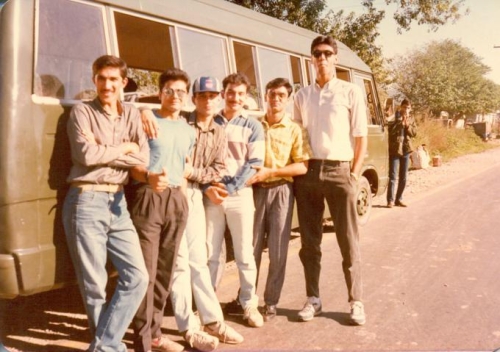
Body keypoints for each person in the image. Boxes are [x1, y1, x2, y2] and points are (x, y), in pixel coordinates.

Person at [62, 55, 149, 352]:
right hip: (86, 200)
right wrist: (126, 146)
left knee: (137, 276)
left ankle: (103, 346)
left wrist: (104, 150)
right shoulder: (83, 112)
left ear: (124, 82)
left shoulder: (133, 115)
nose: (107, 85)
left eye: (113, 79)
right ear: (94, 80)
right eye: (102, 78)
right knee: (94, 285)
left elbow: (144, 159)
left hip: (117, 203)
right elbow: (85, 156)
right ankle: (108, 348)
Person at [293, 35, 368, 325]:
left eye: (327, 53)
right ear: (311, 59)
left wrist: (354, 174)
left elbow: (360, 138)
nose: (322, 58)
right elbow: (297, 136)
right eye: (316, 54)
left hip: (340, 172)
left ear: (336, 57)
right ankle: (314, 299)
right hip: (309, 172)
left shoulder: (350, 92)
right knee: (309, 243)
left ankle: (356, 301)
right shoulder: (302, 95)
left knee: (348, 241)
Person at [168, 77, 244, 350]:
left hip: (195, 194)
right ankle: (189, 328)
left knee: (199, 260)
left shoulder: (219, 132)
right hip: (173, 195)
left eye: (213, 96)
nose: (208, 100)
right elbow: (172, 161)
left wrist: (194, 174)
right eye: (203, 96)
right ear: (194, 98)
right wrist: (191, 174)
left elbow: (218, 170)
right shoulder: (180, 123)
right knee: (179, 264)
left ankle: (212, 321)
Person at [128, 68, 195, 352]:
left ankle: (155, 334)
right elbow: (132, 165)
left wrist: (181, 186)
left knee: (165, 271)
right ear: (160, 93)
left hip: (177, 200)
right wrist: (141, 109)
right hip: (148, 196)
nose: (175, 96)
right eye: (169, 90)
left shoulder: (188, 130)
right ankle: (142, 341)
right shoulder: (146, 121)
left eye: (181, 91)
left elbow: (186, 163)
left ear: (187, 96)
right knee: (147, 271)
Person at [245, 77, 312, 321]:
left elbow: (302, 166)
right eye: (272, 94)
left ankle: (270, 301)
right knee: (249, 248)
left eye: (281, 96)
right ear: (265, 96)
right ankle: (247, 299)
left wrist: (272, 172)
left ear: (288, 99)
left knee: (278, 249)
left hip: (282, 190)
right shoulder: (253, 125)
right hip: (254, 191)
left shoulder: (295, 129)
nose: (275, 99)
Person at [204, 72, 265, 328]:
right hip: (211, 194)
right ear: (223, 94)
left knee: (244, 254)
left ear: (246, 96)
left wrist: (230, 187)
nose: (235, 98)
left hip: (238, 195)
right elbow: (199, 158)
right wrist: (209, 185)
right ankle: (207, 307)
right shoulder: (209, 121)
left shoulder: (252, 126)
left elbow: (254, 164)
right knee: (210, 253)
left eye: (240, 94)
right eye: (230, 92)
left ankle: (249, 303)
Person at [386, 99, 417, 208]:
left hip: (405, 150)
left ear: (410, 109)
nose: (406, 110)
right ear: (401, 107)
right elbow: (389, 131)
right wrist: (399, 123)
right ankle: (390, 200)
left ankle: (399, 199)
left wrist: (407, 125)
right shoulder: (394, 116)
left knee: (403, 177)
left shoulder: (411, 119)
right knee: (393, 176)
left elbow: (414, 133)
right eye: (404, 107)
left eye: (408, 108)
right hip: (395, 149)